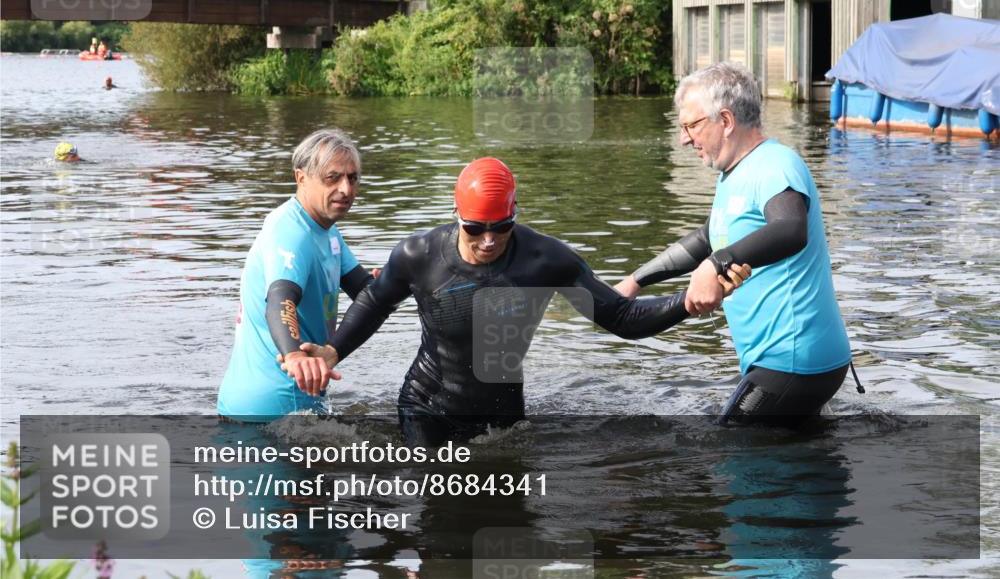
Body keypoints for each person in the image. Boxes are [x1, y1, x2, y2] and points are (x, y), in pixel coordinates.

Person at [285, 157, 750, 446]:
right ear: (457, 218)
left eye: (501, 228)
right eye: (475, 229)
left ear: (515, 216)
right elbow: (374, 303)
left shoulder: (546, 260)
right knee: (441, 517)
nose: (488, 241)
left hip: (504, 416)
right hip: (427, 406)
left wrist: (686, 304)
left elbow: (622, 318)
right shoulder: (419, 254)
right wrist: (333, 350)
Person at [614, 61, 857, 425]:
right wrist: (636, 280)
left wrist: (717, 264)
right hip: (784, 361)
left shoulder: (775, 165)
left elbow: (791, 228)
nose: (684, 138)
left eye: (692, 125)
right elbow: (704, 239)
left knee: (730, 452)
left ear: (725, 121)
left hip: (794, 360)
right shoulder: (735, 174)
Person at [217, 129, 376, 422]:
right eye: (333, 177)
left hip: (296, 407)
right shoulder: (289, 230)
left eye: (352, 178)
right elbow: (280, 298)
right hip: (261, 416)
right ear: (301, 178)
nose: (346, 189)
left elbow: (368, 293)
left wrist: (400, 280)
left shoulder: (326, 231)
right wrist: (293, 355)